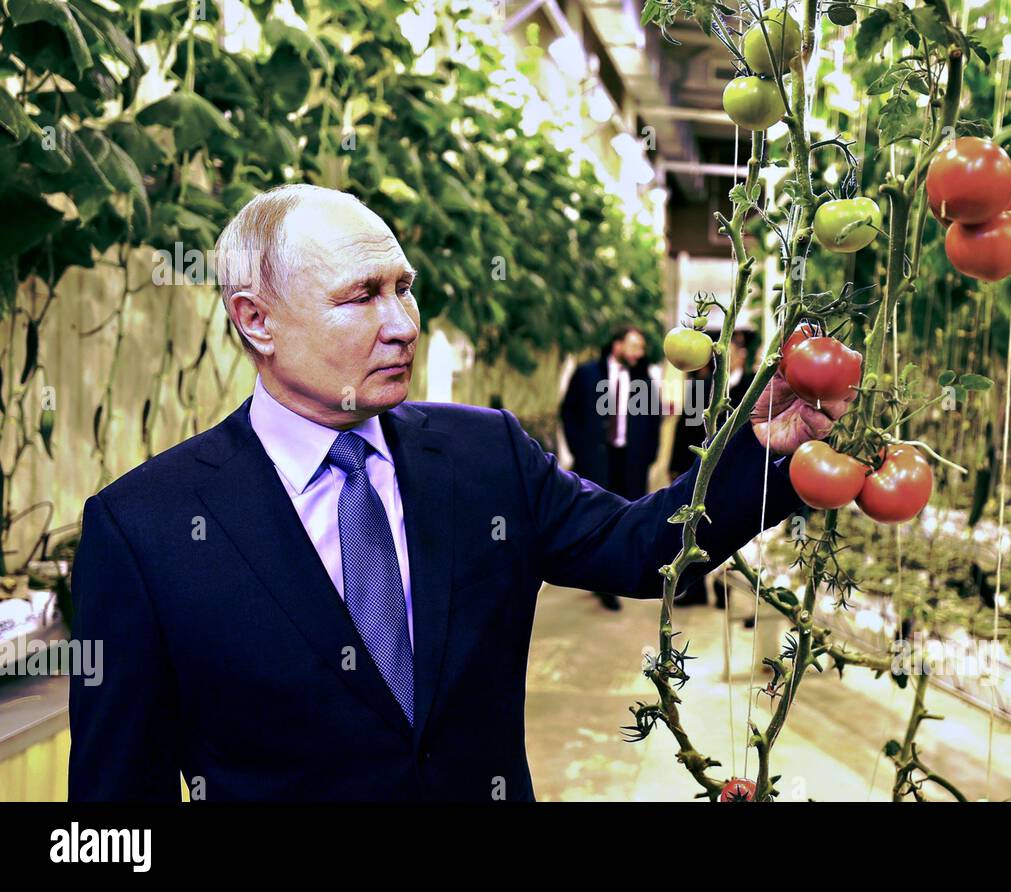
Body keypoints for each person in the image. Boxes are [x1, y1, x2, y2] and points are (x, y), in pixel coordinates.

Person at [67, 184, 849, 802]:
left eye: (403, 287)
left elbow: (643, 551)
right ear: (256, 321)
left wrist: (766, 456)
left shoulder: (482, 457)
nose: (404, 322)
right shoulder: (149, 529)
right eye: (362, 295)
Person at [559, 326, 661, 611]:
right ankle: (600, 580)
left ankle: (613, 577)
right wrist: (579, 448)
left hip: (630, 461)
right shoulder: (588, 373)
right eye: (634, 345)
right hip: (596, 459)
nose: (640, 352)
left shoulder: (644, 380)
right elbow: (569, 411)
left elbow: (653, 420)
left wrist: (648, 455)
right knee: (596, 519)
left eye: (641, 347)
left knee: (627, 517)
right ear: (617, 345)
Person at [670, 330, 757, 608]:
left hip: (737, 471)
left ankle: (724, 592)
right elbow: (685, 428)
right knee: (696, 528)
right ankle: (694, 589)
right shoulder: (703, 385)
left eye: (733, 351)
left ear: (742, 354)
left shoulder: (753, 386)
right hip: (701, 471)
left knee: (731, 528)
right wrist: (675, 465)